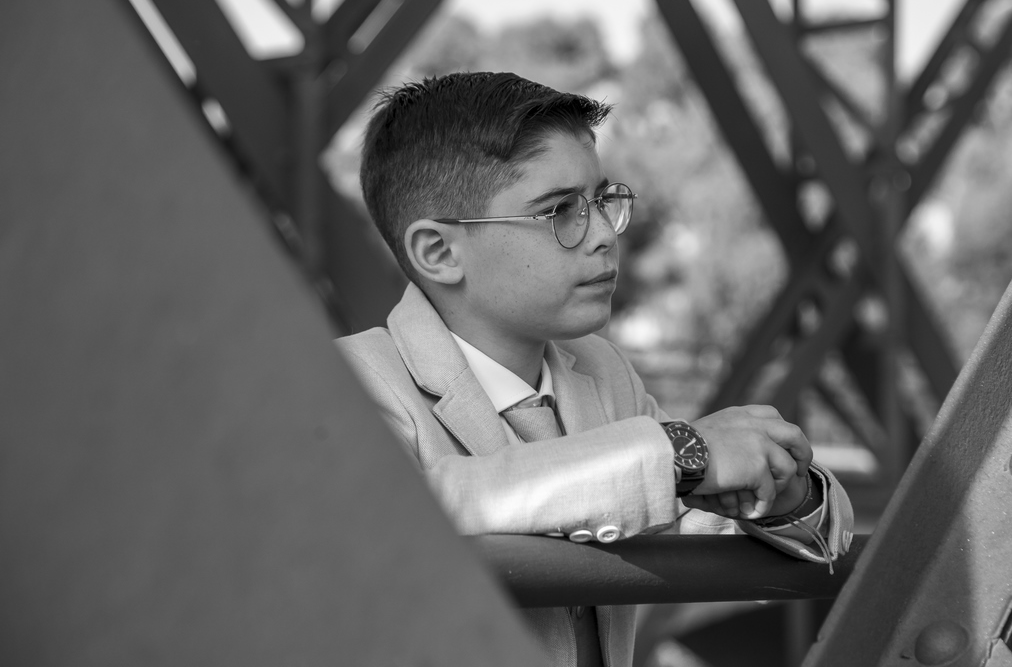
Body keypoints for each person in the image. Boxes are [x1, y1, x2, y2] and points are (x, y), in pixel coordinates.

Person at [337, 71, 853, 667]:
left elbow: (709, 513)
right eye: (560, 211)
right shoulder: (348, 381)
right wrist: (680, 453)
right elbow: (406, 510)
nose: (605, 235)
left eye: (602, 202)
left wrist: (786, 494)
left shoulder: (601, 370)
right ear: (438, 252)